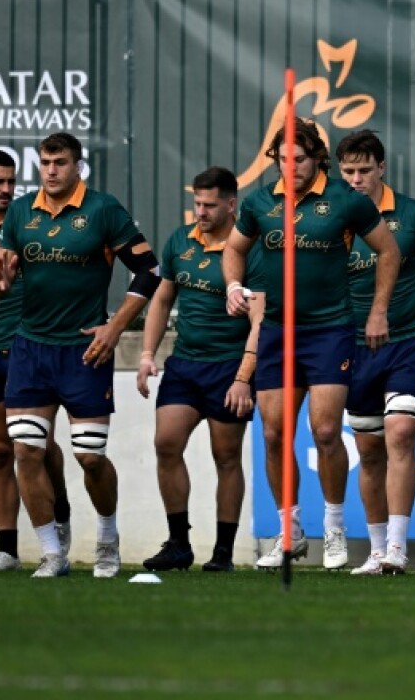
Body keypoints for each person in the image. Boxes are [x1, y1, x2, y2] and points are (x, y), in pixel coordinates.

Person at [224, 118, 400, 571]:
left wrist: (377, 311)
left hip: (330, 330)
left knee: (325, 431)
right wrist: (232, 285)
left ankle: (335, 527)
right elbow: (234, 249)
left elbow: (389, 251)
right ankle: (290, 531)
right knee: (273, 433)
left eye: (298, 159)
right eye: (282, 159)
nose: (290, 167)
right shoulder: (260, 202)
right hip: (277, 331)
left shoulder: (345, 199)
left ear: (316, 158)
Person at [0, 131, 159, 578]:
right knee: (26, 451)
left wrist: (115, 326)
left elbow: (150, 270)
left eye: (59, 162)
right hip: (30, 347)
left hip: (86, 349)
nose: (50, 170)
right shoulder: (22, 210)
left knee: (89, 457)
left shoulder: (103, 210)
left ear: (77, 165)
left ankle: (106, 536)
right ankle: (51, 553)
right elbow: (1, 271)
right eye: (44, 162)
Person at [137, 167, 264, 573]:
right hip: (185, 365)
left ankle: (223, 551)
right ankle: (179, 543)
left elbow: (261, 320)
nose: (202, 212)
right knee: (166, 443)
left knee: (226, 456)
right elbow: (160, 300)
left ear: (231, 204)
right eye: (197, 204)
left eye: (210, 205)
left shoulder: (250, 249)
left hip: (229, 367)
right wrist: (146, 354)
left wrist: (244, 377)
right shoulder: (180, 240)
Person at [0, 149, 72, 572]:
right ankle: (7, 550)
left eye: (11, 182)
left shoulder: (30, 223)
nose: (6, 190)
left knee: (36, 448)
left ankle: (60, 519)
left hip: (31, 350)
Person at [336, 131, 415, 576]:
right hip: (353, 349)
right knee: (370, 450)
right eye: (348, 172)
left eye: (365, 170)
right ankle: (377, 550)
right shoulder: (328, 221)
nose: (357, 179)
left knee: (400, 433)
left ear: (383, 168)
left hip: (409, 340)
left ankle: (398, 547)